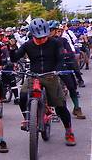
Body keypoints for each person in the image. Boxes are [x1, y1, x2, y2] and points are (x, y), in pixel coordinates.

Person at [10, 18, 76, 146]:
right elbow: (15, 58)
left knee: (60, 105)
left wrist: (57, 70)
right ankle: (28, 119)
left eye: (44, 37)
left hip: (50, 75)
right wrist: (12, 48)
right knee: (22, 96)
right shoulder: (27, 45)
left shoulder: (56, 43)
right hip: (33, 75)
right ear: (32, 34)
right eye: (38, 38)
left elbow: (61, 59)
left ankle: (69, 131)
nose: (41, 40)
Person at [49, 22, 85, 119]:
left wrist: (64, 56)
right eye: (50, 30)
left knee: (71, 86)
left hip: (63, 66)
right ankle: (49, 111)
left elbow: (70, 53)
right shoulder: (45, 42)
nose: (51, 32)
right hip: (50, 68)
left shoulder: (63, 40)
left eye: (52, 30)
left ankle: (77, 108)